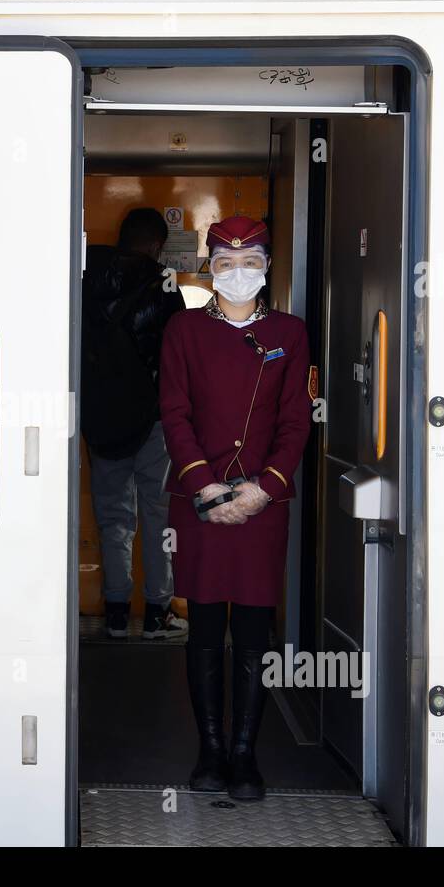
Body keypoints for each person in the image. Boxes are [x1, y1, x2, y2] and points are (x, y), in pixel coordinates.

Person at [157, 215, 312, 799]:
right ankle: (210, 751)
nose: (238, 274)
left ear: (267, 267)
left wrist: (262, 489)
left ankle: (245, 755)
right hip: (199, 502)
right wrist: (205, 487)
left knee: (252, 630)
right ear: (210, 269)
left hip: (261, 503)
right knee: (202, 629)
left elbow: (297, 421)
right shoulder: (184, 330)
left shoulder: (290, 333)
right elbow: (174, 413)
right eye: (226, 264)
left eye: (250, 263)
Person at [80, 208, 189, 640]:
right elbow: (179, 352)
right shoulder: (164, 284)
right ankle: (158, 613)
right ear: (157, 245)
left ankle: (116, 612)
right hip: (154, 419)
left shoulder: (85, 275)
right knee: (159, 515)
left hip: (102, 417)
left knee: (113, 518)